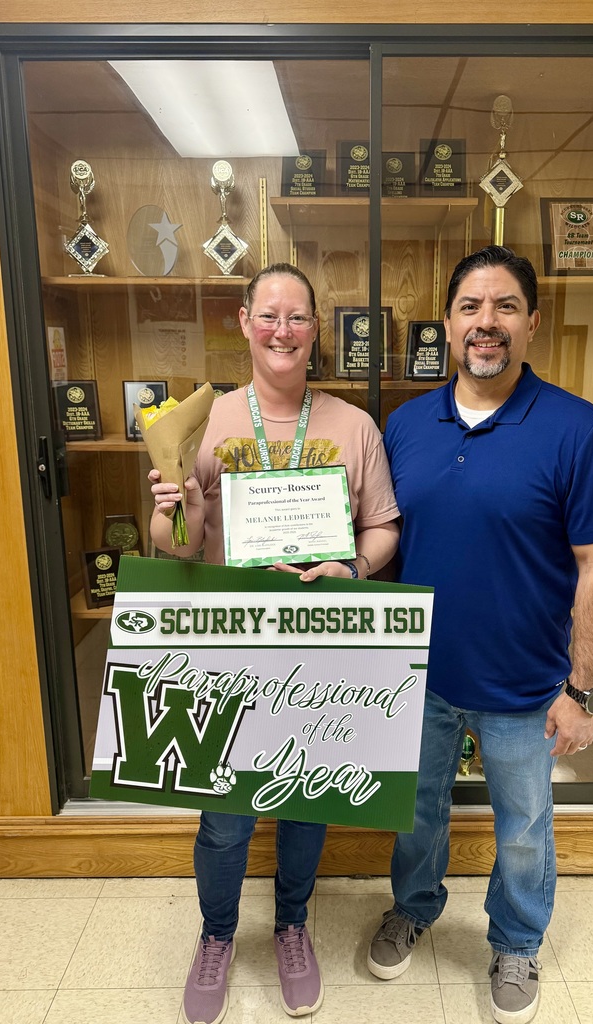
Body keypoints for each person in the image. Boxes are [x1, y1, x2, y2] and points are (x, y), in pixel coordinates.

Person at [366, 245, 593, 1024]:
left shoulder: (578, 430)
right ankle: (413, 907)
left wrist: (581, 690)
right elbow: (381, 535)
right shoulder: (407, 425)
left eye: (504, 307)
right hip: (417, 679)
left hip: (527, 685)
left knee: (523, 828)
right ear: (448, 324)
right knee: (415, 811)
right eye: (470, 308)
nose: (485, 323)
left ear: (531, 323)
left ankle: (517, 939)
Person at [150, 262, 400, 1024]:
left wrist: (353, 564)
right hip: (229, 647)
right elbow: (173, 547)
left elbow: (383, 527)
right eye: (269, 316)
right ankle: (217, 936)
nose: (283, 331)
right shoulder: (210, 419)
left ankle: (292, 925)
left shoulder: (354, 426)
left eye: (298, 317)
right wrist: (179, 507)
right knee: (224, 814)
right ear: (244, 321)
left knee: (304, 802)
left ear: (316, 328)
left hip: (319, 647)